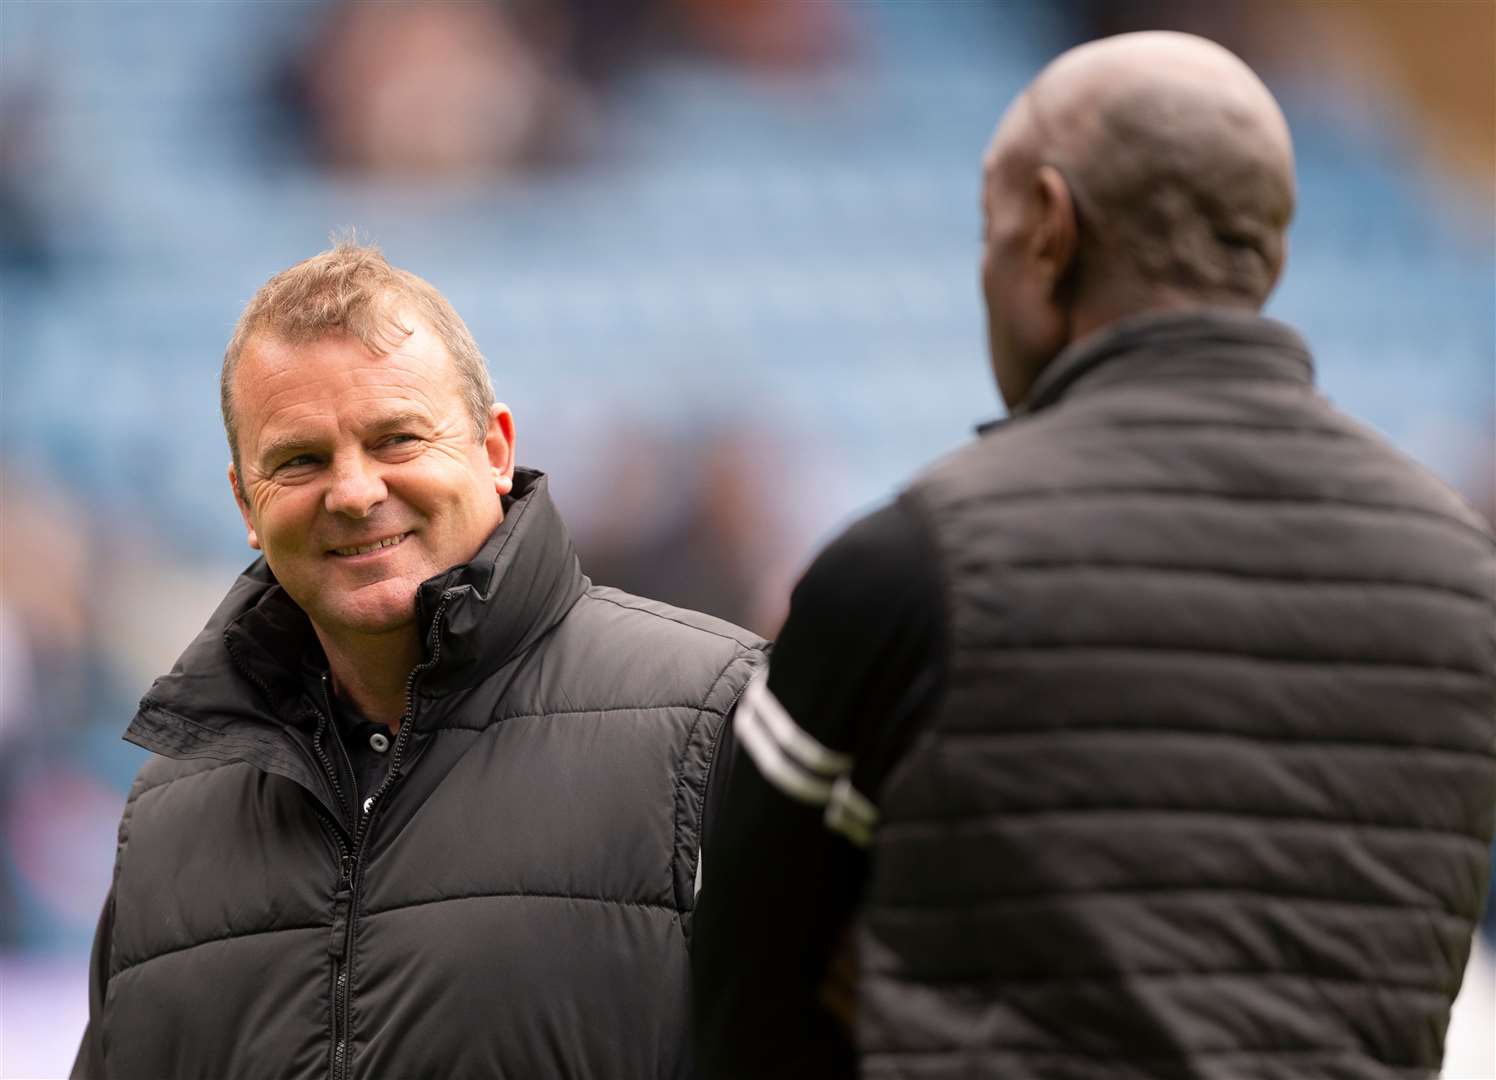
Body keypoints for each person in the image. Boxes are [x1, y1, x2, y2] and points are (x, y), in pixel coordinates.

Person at [692, 31, 1496, 1079]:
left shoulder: (916, 564)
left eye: (989, 229)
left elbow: (737, 986)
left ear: (1048, 231)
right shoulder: (1461, 574)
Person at [72, 242, 765, 1080]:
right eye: (301, 459)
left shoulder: (714, 717)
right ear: (243, 501)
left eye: (396, 438)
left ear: (496, 450)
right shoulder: (165, 818)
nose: (355, 492)